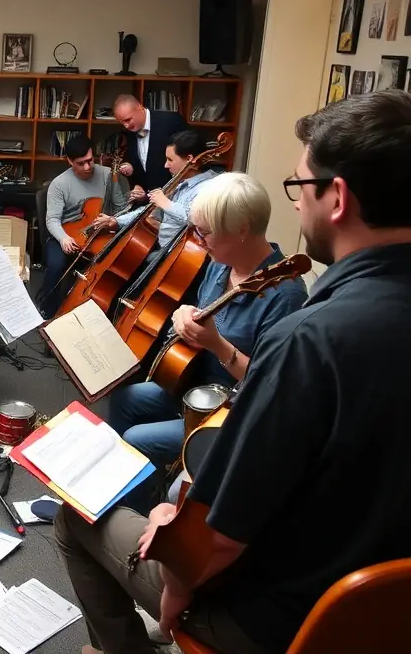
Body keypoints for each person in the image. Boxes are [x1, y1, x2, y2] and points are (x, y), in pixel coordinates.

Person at [54, 90, 411, 654]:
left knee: (75, 520)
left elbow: (218, 537)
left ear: (336, 197)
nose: (295, 204)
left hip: (276, 617)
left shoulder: (309, 337)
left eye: (300, 186)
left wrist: (175, 582)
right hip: (379, 616)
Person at [105, 171, 307, 511]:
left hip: (228, 409)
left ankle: (130, 517)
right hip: (192, 382)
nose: (199, 239)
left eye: (206, 231)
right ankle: (120, 491)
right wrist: (185, 315)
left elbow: (269, 386)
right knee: (126, 398)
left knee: (138, 439)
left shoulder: (284, 295)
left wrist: (216, 344)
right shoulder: (219, 265)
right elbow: (201, 312)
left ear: (242, 229)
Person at [38, 135, 129, 319]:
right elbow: (52, 219)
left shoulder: (107, 174)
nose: (87, 167)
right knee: (56, 265)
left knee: (116, 263)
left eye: (90, 161)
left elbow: (121, 208)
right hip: (67, 233)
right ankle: (47, 311)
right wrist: (63, 238)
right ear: (70, 161)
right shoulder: (59, 184)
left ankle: (101, 314)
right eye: (81, 163)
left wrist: (114, 216)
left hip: (99, 232)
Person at [94, 130, 221, 256]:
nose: (166, 165)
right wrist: (116, 221)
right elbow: (148, 210)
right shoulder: (180, 180)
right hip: (161, 248)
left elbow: (199, 221)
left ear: (189, 159)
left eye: (170, 159)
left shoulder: (212, 187)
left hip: (179, 256)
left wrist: (165, 203)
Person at [112, 94, 189, 196]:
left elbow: (190, 155)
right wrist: (137, 185)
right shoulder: (129, 132)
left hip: (176, 194)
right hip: (148, 200)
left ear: (139, 107)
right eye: (122, 122)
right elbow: (138, 165)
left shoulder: (171, 121)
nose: (126, 126)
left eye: (128, 120)